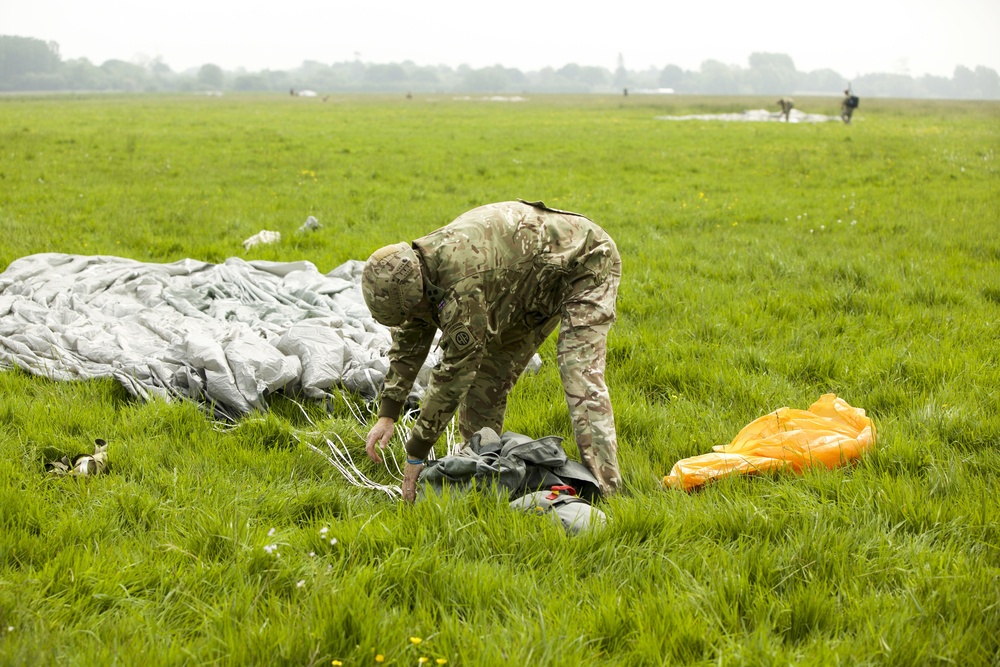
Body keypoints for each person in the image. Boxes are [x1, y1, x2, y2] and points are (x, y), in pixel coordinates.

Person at [362, 200, 623, 502]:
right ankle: (481, 471)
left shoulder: (460, 286)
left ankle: (607, 490)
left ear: (416, 292)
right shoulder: (418, 271)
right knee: (487, 381)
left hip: (585, 260)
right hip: (528, 281)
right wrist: (388, 413)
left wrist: (416, 454)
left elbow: (453, 375)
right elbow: (411, 338)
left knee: (579, 374)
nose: (410, 320)